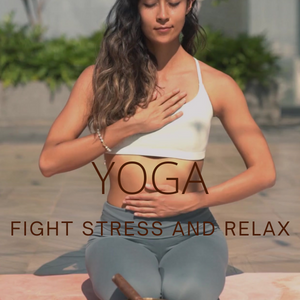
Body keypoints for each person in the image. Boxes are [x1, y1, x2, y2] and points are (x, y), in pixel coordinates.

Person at [39, 0, 276, 299]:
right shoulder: (100, 80)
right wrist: (129, 125)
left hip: (193, 232)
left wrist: (192, 201)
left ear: (189, 5)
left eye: (174, 3)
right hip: (120, 233)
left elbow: (264, 172)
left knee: (189, 293)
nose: (163, 14)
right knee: (136, 292)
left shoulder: (217, 85)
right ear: (135, 9)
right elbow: (49, 161)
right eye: (150, 4)